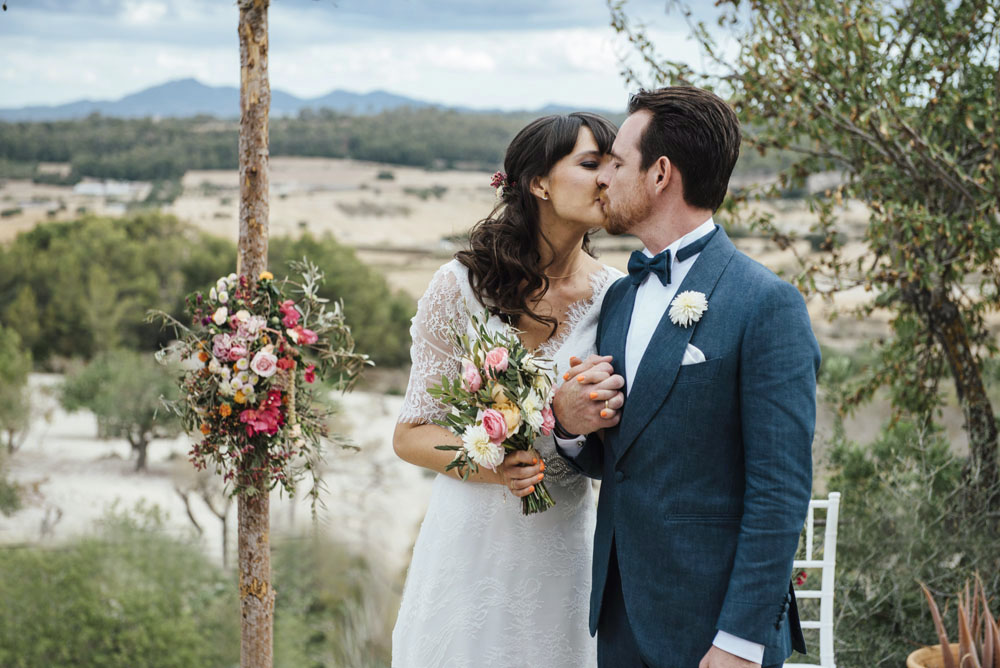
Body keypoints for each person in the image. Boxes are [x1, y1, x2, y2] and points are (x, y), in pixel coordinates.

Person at [553, 87, 819, 668]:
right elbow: (622, 455)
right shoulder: (620, 298)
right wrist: (570, 427)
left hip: (714, 632)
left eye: (618, 163)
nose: (604, 179)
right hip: (619, 618)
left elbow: (780, 490)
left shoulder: (767, 305)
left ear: (660, 174)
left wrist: (740, 641)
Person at [391, 111, 626, 668]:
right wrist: (497, 465)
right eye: (590, 164)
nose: (606, 180)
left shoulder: (618, 294)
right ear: (538, 183)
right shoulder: (460, 286)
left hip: (566, 542)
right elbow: (409, 435)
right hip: (472, 544)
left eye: (612, 167)